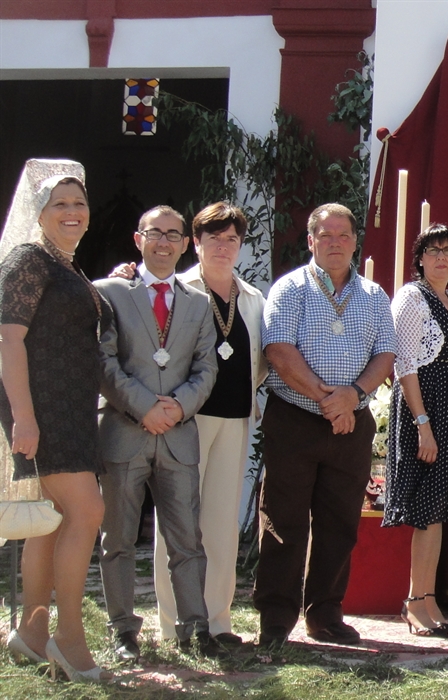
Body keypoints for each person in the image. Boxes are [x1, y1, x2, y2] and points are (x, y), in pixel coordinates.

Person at [255, 203, 395, 648]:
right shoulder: (289, 289)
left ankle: (326, 614)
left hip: (351, 424)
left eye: (343, 235)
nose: (335, 243)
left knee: (339, 524)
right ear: (311, 240)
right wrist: (327, 399)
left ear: (355, 241)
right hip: (295, 418)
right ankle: (276, 619)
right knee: (283, 520)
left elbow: (386, 355)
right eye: (326, 235)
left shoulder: (374, 296)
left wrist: (351, 397)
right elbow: (278, 349)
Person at [0, 160, 111, 682]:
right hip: (41, 408)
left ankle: (32, 634)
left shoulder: (66, 266)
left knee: (53, 520)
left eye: (79, 202)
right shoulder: (28, 259)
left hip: (70, 407)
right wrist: (23, 415)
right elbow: (7, 338)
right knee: (87, 510)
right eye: (59, 203)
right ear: (39, 212)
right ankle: (69, 638)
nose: (72, 211)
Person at [95, 205, 222, 660]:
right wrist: (145, 407)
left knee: (188, 539)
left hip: (178, 436)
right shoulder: (107, 292)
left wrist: (179, 406)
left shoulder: (198, 303)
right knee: (119, 538)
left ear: (186, 243)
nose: (164, 243)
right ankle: (123, 631)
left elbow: (207, 367)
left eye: (173, 235)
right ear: (138, 239)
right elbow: (103, 361)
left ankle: (196, 627)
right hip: (125, 431)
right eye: (155, 234)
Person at [149, 203, 267, 646]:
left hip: (235, 420)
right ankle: (174, 624)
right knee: (178, 525)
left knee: (220, 524)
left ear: (240, 245)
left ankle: (217, 622)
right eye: (213, 237)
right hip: (185, 420)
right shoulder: (177, 289)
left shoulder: (252, 298)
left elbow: (260, 362)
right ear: (194, 243)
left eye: (232, 238)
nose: (223, 246)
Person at [384, 224, 448, 638]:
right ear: (419, 257)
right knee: (425, 508)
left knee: (437, 508)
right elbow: (405, 364)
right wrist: (422, 425)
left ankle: (428, 597)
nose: (441, 256)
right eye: (433, 249)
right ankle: (414, 601)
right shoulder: (411, 297)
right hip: (426, 408)